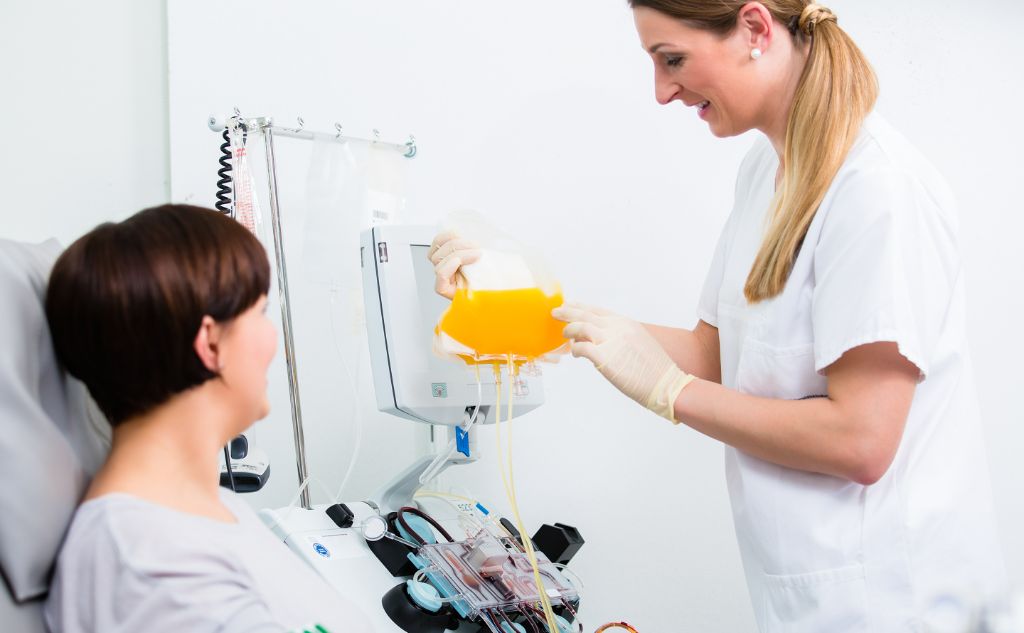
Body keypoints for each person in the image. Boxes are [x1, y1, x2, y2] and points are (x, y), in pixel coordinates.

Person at [430, 2, 1006, 631]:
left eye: (672, 59)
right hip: (812, 593)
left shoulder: (877, 191)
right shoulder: (766, 170)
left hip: (898, 602)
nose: (661, 91)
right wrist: (526, 312)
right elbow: (721, 354)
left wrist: (673, 394)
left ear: (756, 29)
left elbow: (861, 441)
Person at [43, 205, 372, 633]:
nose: (276, 342)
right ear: (211, 345)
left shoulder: (203, 509)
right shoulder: (152, 567)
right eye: (260, 313)